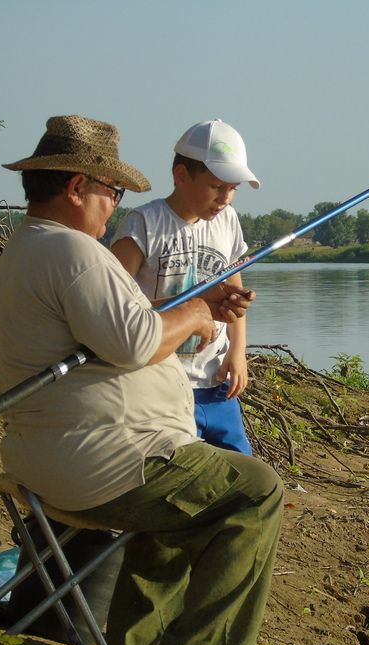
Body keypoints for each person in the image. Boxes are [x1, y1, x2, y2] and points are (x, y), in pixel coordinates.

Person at [0, 115, 283, 645]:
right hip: (103, 461)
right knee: (257, 490)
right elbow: (135, 341)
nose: (115, 204)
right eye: (111, 191)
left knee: (191, 498)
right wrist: (199, 314)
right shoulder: (74, 252)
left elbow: (121, 328)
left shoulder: (33, 246)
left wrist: (196, 310)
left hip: (63, 456)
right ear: (77, 187)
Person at [111, 119, 258, 455]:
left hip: (215, 382)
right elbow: (114, 302)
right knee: (180, 465)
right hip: (160, 380)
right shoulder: (144, 223)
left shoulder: (227, 222)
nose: (225, 199)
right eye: (216, 186)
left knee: (240, 465)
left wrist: (238, 353)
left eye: (233, 189)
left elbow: (234, 287)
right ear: (180, 175)